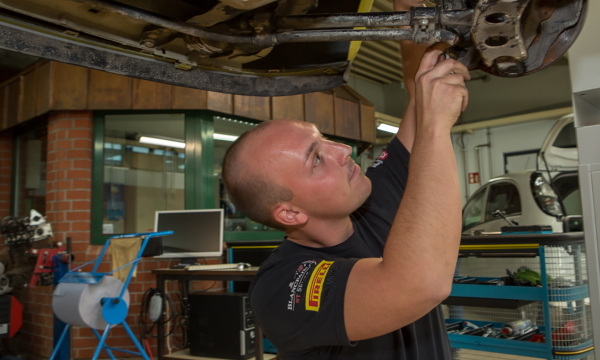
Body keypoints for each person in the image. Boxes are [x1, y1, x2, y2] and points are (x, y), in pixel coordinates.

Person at [221, 1, 470, 358]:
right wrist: (437, 125)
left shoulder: (368, 201)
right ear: (290, 213)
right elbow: (418, 285)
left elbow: (422, 100)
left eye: (324, 138)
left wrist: (419, 22)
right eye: (317, 159)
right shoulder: (280, 286)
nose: (342, 150)